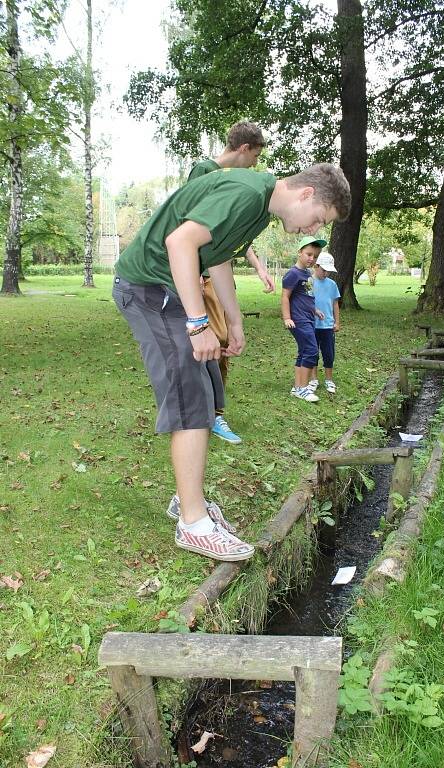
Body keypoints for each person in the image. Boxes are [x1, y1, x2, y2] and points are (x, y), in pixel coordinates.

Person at [113, 163, 351, 561]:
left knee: (205, 390)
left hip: (167, 290)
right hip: (149, 290)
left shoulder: (259, 206)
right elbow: (181, 243)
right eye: (318, 219)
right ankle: (193, 524)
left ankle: (187, 501)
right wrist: (196, 323)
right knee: (190, 395)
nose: (311, 231)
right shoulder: (247, 192)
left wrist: (234, 319)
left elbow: (217, 257)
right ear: (307, 194)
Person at [187, 121, 275, 445]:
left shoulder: (228, 180)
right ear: (243, 149)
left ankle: (213, 414)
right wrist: (193, 274)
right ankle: (206, 416)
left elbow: (232, 236)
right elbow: (191, 225)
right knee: (213, 343)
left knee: (222, 345)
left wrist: (259, 268)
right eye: (255, 156)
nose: (255, 164)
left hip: (218, 274)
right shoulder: (204, 171)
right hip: (202, 278)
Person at [281, 235, 327, 402]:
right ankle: (303, 388)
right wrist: (287, 318)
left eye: (315, 256)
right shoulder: (293, 274)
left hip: (308, 318)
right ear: (299, 252)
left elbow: (306, 296)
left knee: (304, 351)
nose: (311, 258)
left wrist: (315, 310)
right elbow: (285, 297)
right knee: (312, 351)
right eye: (308, 254)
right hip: (298, 320)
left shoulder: (307, 273)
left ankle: (298, 387)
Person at [309, 252, 341, 394]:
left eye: (328, 271)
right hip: (312, 325)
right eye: (323, 270)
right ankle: (313, 379)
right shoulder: (309, 282)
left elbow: (335, 304)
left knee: (328, 353)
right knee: (313, 352)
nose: (326, 273)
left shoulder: (332, 284)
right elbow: (305, 302)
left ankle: (329, 380)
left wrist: (337, 322)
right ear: (316, 266)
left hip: (328, 326)